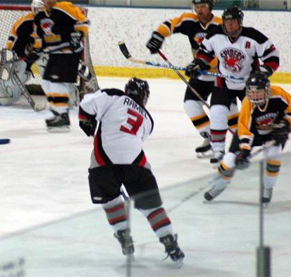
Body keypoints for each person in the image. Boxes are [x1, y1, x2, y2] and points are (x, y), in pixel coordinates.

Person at [78, 78, 185, 265]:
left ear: (127, 90)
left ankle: (123, 236)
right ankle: (169, 242)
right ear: (145, 98)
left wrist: (85, 121)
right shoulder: (148, 120)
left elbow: (86, 103)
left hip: (105, 161)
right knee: (151, 207)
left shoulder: (114, 95)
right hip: (135, 162)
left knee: (111, 200)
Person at [185, 5, 280, 163]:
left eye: (233, 22)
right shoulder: (215, 34)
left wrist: (264, 70)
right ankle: (218, 151)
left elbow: (273, 56)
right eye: (227, 22)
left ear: (240, 22)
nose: (229, 25)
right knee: (216, 112)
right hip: (224, 82)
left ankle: (251, 146)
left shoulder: (253, 36)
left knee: (252, 116)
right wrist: (198, 64)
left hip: (250, 86)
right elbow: (205, 53)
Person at [146, 0, 239, 157]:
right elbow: (170, 24)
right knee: (190, 104)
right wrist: (158, 35)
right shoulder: (190, 20)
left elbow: (228, 50)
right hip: (200, 74)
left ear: (210, 7)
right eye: (197, 6)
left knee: (229, 111)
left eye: (203, 6)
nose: (199, 10)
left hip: (220, 75)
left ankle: (243, 142)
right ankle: (211, 137)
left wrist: (204, 64)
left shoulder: (219, 25)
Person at [204, 72, 291, 205]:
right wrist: (244, 151)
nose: (255, 95)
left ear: (267, 89)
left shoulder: (279, 94)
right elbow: (245, 128)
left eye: (258, 92)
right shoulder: (247, 102)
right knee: (229, 160)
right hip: (252, 133)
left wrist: (286, 125)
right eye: (251, 92)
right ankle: (220, 184)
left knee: (274, 156)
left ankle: (268, 187)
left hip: (273, 132)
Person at [32, 0, 89, 131]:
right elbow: (39, 38)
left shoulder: (64, 7)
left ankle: (63, 116)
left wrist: (78, 35)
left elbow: (83, 21)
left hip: (69, 53)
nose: (48, 2)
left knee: (57, 84)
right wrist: (36, 51)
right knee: (46, 83)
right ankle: (58, 112)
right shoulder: (39, 17)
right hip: (54, 54)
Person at [0, 11, 48, 106]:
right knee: (8, 98)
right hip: (22, 56)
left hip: (44, 54)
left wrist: (37, 52)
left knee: (46, 65)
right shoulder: (24, 23)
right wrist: (8, 54)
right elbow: (12, 40)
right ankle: (3, 88)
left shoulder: (55, 21)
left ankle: (63, 97)